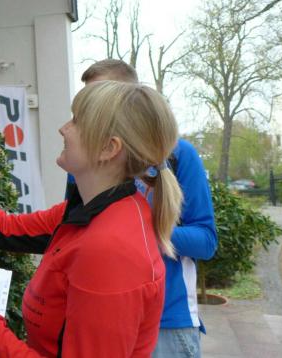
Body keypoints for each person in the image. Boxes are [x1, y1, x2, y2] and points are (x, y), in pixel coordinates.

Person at [0, 80, 185, 357]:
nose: (63, 128)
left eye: (76, 121)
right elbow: (5, 228)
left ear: (108, 148)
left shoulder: (109, 250)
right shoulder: (90, 212)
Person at [67, 59, 217, 358]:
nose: (89, 111)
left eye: (99, 97)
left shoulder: (177, 154)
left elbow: (206, 241)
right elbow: (70, 235)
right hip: (100, 320)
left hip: (166, 324)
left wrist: (139, 233)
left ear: (131, 98)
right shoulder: (81, 159)